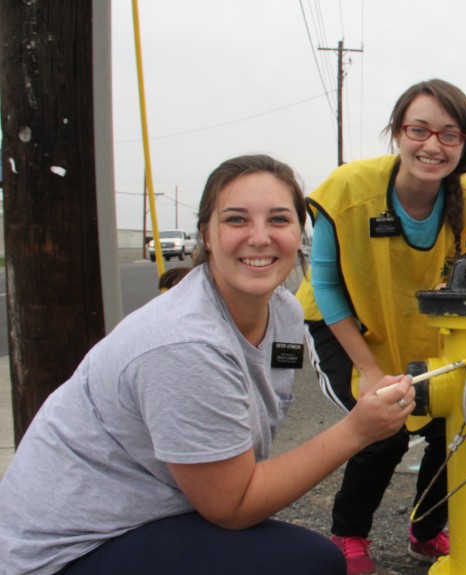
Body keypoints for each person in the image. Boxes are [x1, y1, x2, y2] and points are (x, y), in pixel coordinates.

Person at [0, 155, 415, 575]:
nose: (259, 237)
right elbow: (232, 507)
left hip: (156, 514)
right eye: (236, 220)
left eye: (278, 220)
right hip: (68, 550)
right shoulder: (183, 343)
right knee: (312, 563)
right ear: (208, 236)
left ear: (299, 234)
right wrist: (357, 430)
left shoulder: (285, 313)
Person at [293, 79, 466, 574]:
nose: (433, 145)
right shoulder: (348, 189)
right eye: (420, 129)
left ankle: (425, 531)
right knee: (383, 426)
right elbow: (324, 282)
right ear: (397, 133)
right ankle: (348, 534)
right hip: (344, 325)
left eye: (450, 134)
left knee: (459, 421)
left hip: (417, 329)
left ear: (465, 144)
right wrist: (368, 369)